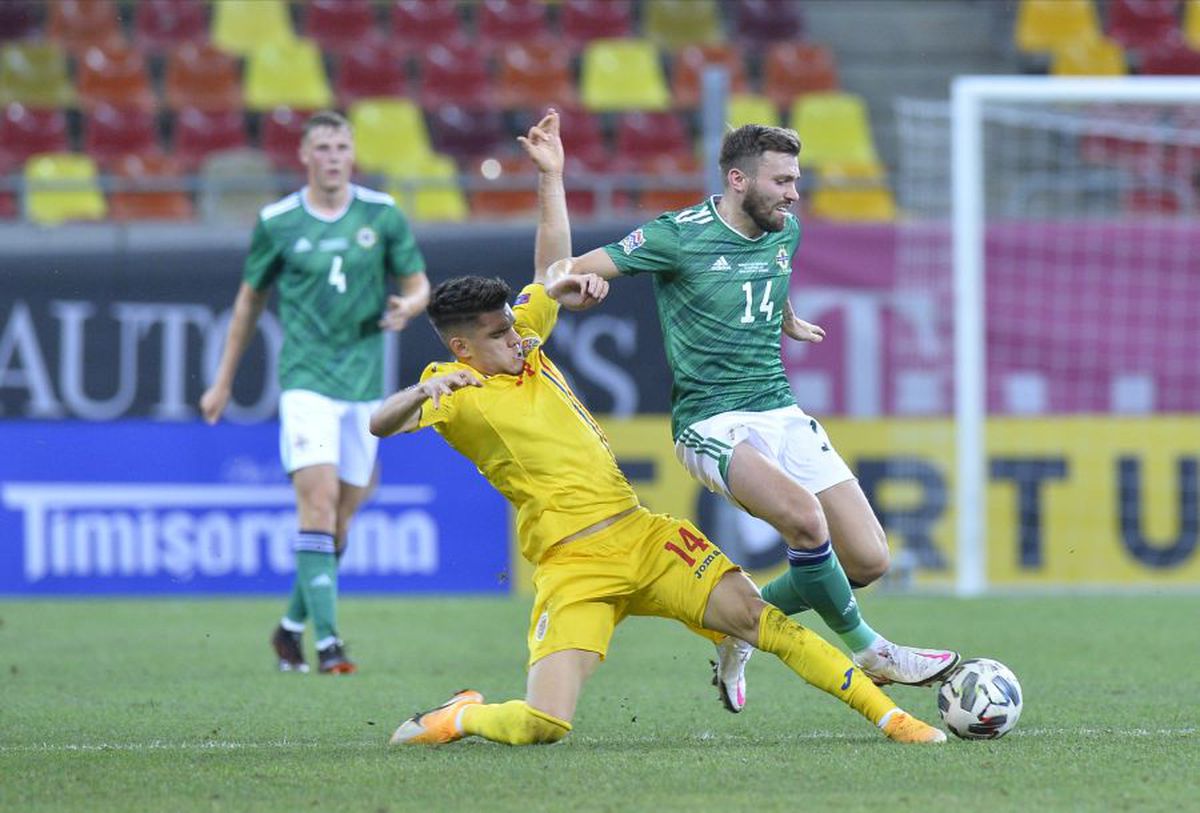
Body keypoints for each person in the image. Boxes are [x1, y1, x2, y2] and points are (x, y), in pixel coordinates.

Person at [371, 110, 944, 747]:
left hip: (640, 532)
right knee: (544, 725)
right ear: (461, 347)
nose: (516, 335)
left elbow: (547, 273)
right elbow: (377, 423)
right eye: (499, 334)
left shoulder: (527, 340)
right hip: (572, 562)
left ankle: (897, 720)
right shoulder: (453, 389)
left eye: (513, 325)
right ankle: (459, 716)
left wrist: (552, 178)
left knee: (775, 612)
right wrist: (422, 390)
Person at [549, 124, 959, 712]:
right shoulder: (676, 235)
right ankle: (871, 651)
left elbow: (769, 272)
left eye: (797, 179)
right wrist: (581, 285)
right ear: (738, 180)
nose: (795, 193)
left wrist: (782, 316)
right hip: (711, 421)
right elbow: (562, 275)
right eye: (783, 180)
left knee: (868, 560)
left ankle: (735, 626)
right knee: (804, 518)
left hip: (779, 409)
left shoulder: (782, 229)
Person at [200, 110, 429, 675]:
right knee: (319, 504)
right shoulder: (278, 222)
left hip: (364, 387)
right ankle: (329, 646)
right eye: (322, 147)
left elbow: (418, 283)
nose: (332, 156)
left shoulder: (383, 214)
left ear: (353, 154)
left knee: (342, 519)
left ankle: (289, 629)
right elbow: (249, 301)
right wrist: (223, 380)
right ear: (304, 156)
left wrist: (411, 305)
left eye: (341, 146)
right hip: (306, 382)